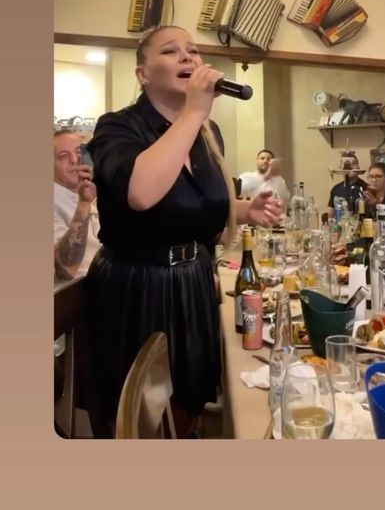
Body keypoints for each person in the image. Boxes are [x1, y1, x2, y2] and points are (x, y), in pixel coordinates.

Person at [85, 26, 283, 438]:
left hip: (192, 281)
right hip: (136, 284)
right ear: (143, 74)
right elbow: (141, 194)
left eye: (193, 51)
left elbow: (193, 205)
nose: (188, 57)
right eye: (171, 51)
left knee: (189, 397)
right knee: (136, 413)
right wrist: (194, 112)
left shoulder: (208, 135)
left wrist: (243, 210)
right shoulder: (118, 127)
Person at [54, 130, 100, 283]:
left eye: (78, 152)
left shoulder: (95, 191)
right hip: (80, 290)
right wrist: (83, 204)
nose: (74, 160)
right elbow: (65, 269)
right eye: (63, 156)